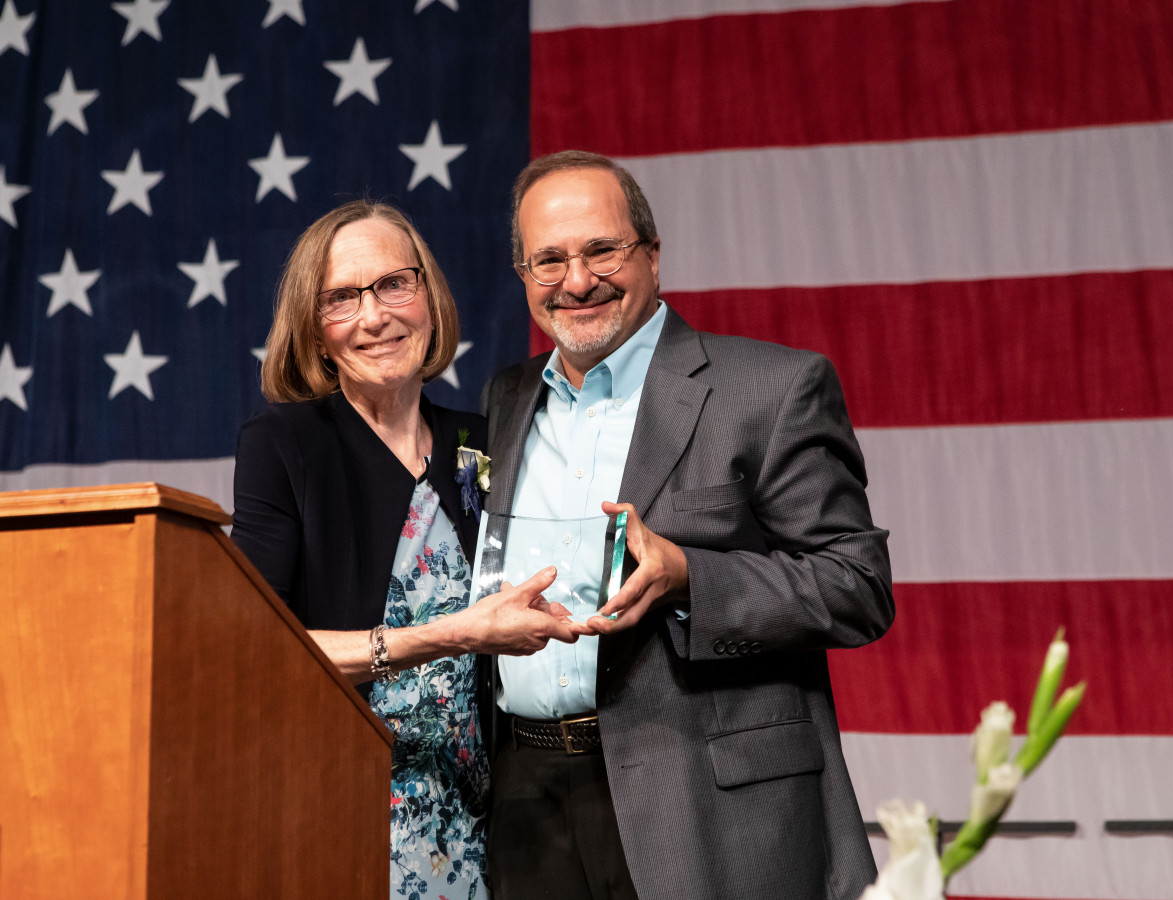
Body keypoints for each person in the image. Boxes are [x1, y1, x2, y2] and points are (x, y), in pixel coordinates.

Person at [479, 151, 896, 900]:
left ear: (653, 254)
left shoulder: (770, 388)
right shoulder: (506, 399)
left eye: (601, 249)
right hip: (525, 801)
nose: (577, 281)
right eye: (550, 261)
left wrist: (688, 577)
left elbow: (857, 585)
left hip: (705, 805)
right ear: (524, 277)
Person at [231, 199, 585, 900]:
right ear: (315, 328)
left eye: (395, 283)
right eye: (342, 297)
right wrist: (453, 634)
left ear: (429, 296)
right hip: (344, 818)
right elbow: (257, 655)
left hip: (494, 826)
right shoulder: (283, 448)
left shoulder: (483, 440)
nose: (374, 316)